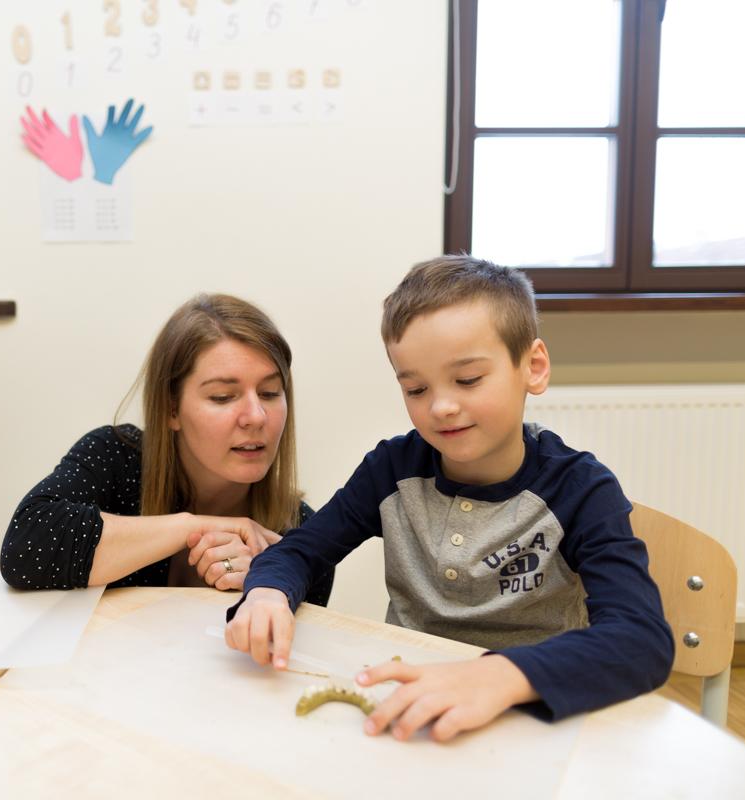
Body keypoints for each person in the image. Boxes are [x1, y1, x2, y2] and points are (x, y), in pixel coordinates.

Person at [225, 255, 673, 741]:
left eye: (468, 380)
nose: (441, 406)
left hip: (526, 715)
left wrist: (498, 675)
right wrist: (267, 591)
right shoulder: (391, 472)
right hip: (408, 710)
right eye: (416, 388)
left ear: (533, 368)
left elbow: (641, 639)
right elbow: (299, 551)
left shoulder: (581, 490)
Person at [1, 293, 333, 603]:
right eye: (223, 396)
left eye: (270, 392)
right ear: (170, 408)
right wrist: (196, 527)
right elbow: (25, 547)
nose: (256, 416)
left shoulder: (300, 533)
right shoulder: (115, 455)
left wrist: (267, 583)